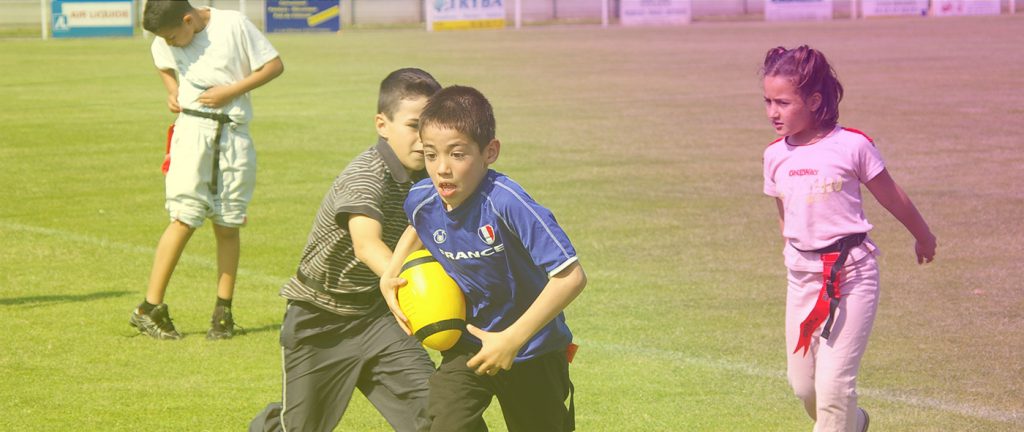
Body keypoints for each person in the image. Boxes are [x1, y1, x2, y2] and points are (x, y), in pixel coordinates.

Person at [380, 85, 587, 432]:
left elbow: (571, 276)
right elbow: (417, 224)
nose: (442, 168)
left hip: (532, 349)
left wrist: (511, 339)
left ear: (489, 151)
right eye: (431, 155)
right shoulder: (422, 199)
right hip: (469, 344)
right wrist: (391, 271)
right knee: (445, 424)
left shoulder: (507, 202)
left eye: (457, 154)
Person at [249, 68, 442, 432]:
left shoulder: (435, 177)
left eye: (431, 126)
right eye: (413, 125)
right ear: (382, 125)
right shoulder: (366, 175)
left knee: (436, 414)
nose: (423, 138)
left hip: (377, 316)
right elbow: (366, 244)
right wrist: (413, 288)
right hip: (320, 319)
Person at [760, 45, 937, 432]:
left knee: (834, 388)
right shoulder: (774, 156)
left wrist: (923, 236)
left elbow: (892, 196)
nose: (773, 112)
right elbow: (785, 214)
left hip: (852, 275)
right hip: (803, 280)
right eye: (768, 101)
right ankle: (854, 424)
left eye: (783, 102)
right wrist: (792, 255)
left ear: (814, 101)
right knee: (805, 387)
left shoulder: (852, 145)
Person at [129, 0, 284, 340]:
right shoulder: (167, 37)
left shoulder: (233, 25)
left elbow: (273, 65)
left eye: (173, 36)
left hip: (234, 134)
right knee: (184, 217)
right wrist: (172, 90)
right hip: (193, 132)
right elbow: (161, 58)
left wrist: (232, 90)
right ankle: (149, 307)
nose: (170, 43)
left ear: (188, 19)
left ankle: (223, 311)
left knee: (229, 222)